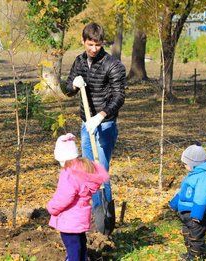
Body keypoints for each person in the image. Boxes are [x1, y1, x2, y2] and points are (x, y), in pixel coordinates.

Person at [65, 22, 126, 233]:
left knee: (101, 171)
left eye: (98, 45)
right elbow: (67, 88)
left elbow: (119, 97)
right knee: (88, 172)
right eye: (90, 44)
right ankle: (94, 216)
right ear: (83, 42)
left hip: (105, 125)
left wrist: (100, 116)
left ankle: (106, 223)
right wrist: (74, 84)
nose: (93, 49)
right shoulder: (79, 62)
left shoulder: (113, 65)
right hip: (85, 124)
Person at [47, 133, 109, 261]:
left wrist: (52, 207)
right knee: (80, 243)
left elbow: (64, 197)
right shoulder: (83, 169)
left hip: (69, 219)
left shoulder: (69, 174)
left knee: (72, 246)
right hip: (80, 218)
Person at [169, 143, 206, 260]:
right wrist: (173, 204)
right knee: (187, 234)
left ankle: (196, 257)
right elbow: (183, 192)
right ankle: (189, 254)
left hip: (195, 215)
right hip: (186, 215)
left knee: (196, 238)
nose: (184, 166)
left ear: (193, 163)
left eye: (185, 164)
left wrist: (197, 214)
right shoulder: (192, 175)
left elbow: (202, 196)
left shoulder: (204, 176)